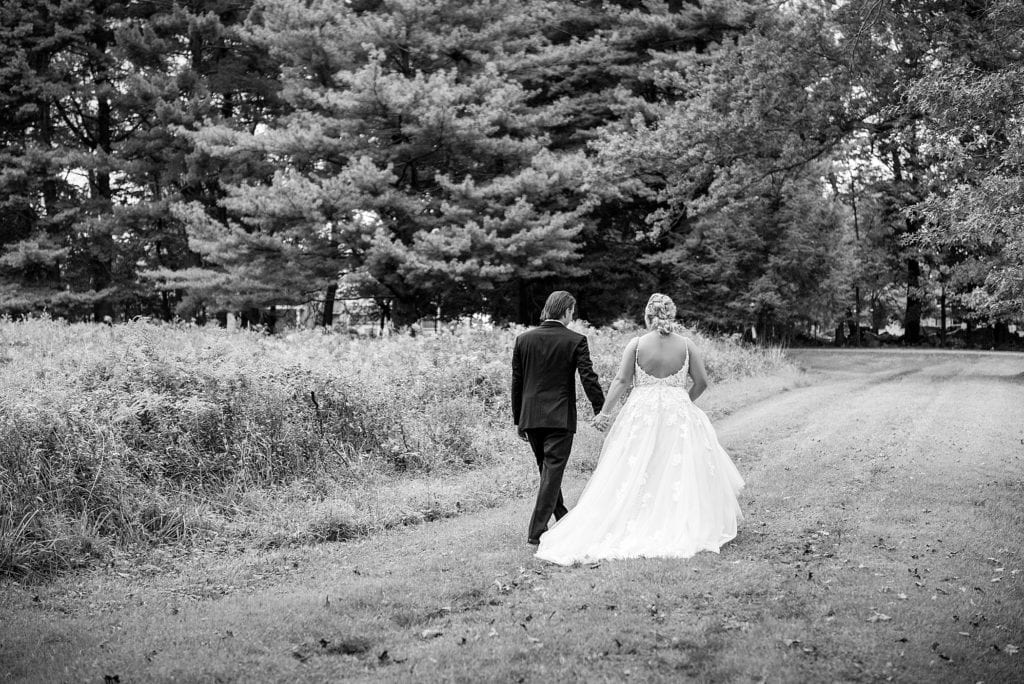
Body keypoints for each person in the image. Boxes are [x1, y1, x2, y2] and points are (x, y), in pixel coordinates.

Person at [535, 293, 744, 565]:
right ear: (672, 314)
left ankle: (631, 518)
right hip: (677, 413)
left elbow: (622, 381)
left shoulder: (635, 345)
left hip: (640, 413)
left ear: (647, 316)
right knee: (677, 467)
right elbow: (702, 382)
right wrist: (683, 402)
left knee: (634, 465)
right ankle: (677, 519)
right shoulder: (687, 345)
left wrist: (605, 413)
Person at [511, 291, 605, 546]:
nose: (572, 316)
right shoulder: (575, 340)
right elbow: (589, 377)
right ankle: (536, 531)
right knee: (551, 473)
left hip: (530, 417)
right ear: (564, 311)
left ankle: (562, 518)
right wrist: (601, 409)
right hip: (559, 417)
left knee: (548, 472)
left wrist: (518, 419)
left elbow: (517, 383)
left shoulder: (523, 339)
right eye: (572, 311)